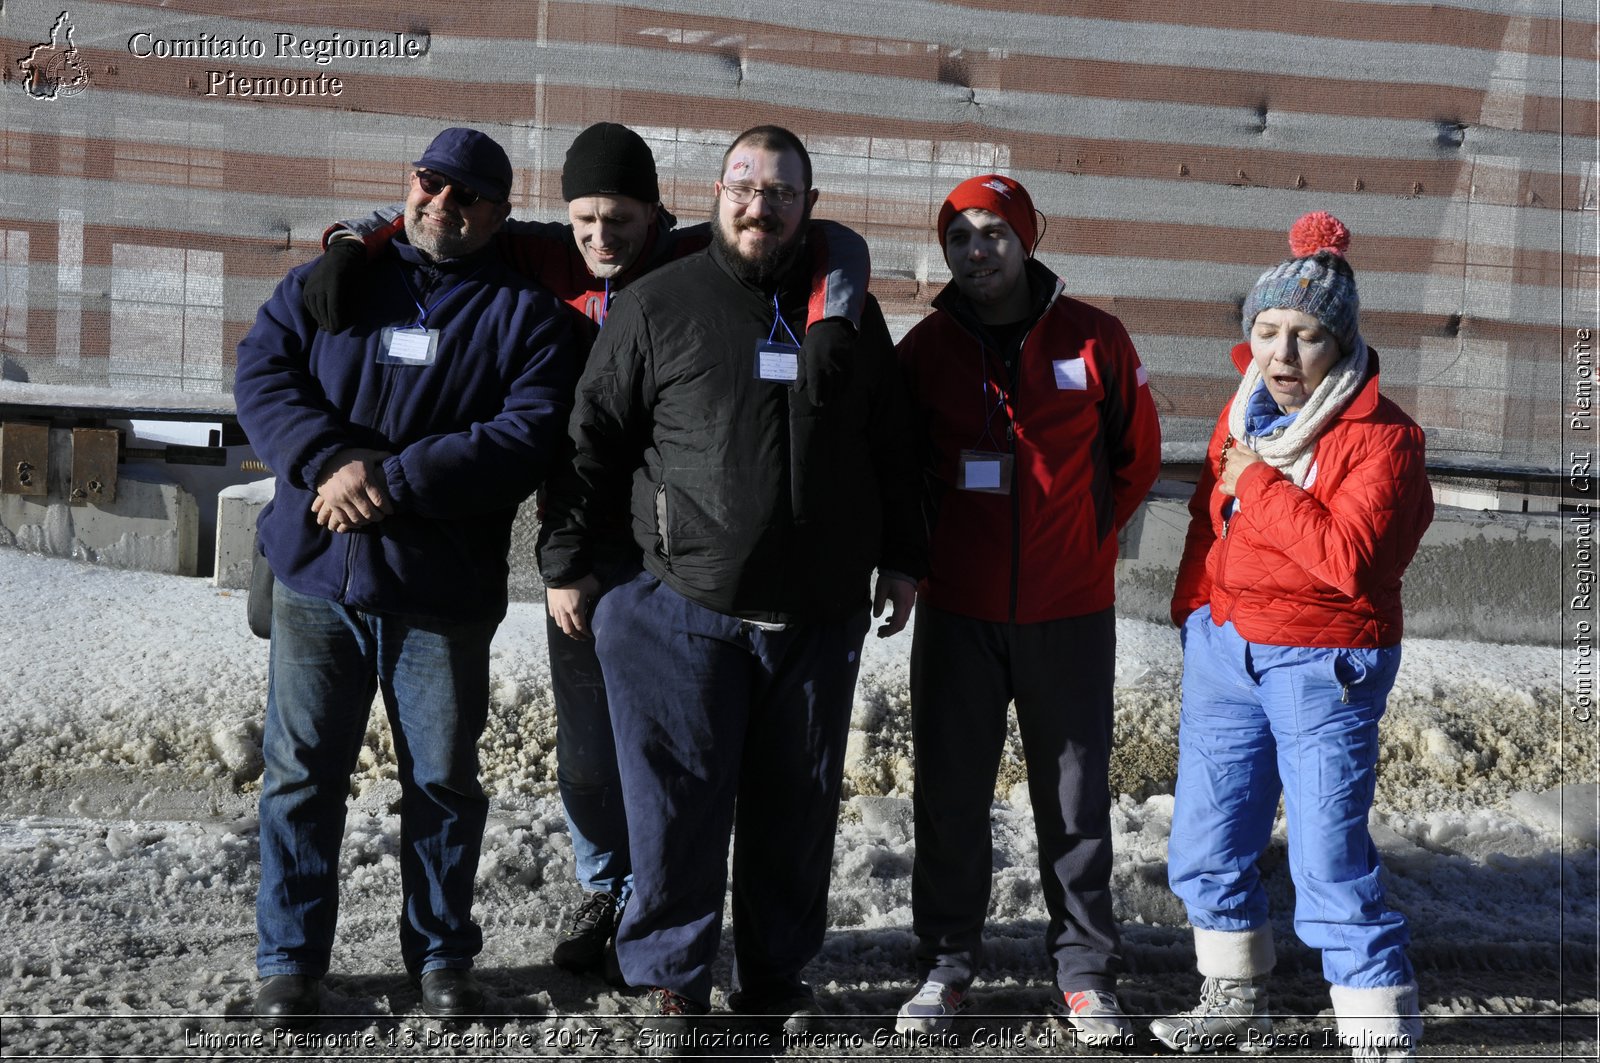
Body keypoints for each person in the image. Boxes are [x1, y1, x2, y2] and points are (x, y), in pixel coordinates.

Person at [299, 122, 873, 979]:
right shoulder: (547, 255)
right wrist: (353, 240)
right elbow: (436, 213)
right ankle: (610, 891)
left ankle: (678, 911)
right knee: (592, 749)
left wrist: (835, 315)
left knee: (683, 756)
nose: (602, 237)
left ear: (659, 213)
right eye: (584, 219)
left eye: (620, 219)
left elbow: (836, 239)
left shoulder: (692, 255)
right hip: (583, 534)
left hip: (679, 549)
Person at [537, 124, 926, 1033]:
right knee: (676, 805)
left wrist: (905, 556)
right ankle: (673, 972)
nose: (762, 206)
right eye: (746, 187)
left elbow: (894, 445)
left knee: (798, 808)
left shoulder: (847, 313)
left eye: (782, 192)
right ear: (716, 193)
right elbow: (590, 440)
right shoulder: (658, 301)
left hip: (818, 614)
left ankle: (776, 976)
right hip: (681, 605)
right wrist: (569, 563)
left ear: (808, 208)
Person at [233, 127, 581, 1029]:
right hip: (319, 579)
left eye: (469, 196)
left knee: (443, 782)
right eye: (432, 184)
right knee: (302, 778)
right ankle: (291, 964)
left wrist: (394, 478)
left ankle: (440, 956)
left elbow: (526, 432)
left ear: (499, 214)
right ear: (409, 183)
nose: (444, 205)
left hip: (439, 592)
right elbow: (264, 371)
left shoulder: (525, 313)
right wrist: (326, 459)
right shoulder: (339, 281)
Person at [1153, 212, 1433, 1060]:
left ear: (1338, 344)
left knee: (1327, 860)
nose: (1281, 354)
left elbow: (1349, 558)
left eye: (1304, 335)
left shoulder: (1384, 438)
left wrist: (1261, 486)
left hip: (1323, 659)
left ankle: (1380, 1034)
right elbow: (1211, 522)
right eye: (1267, 331)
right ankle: (1233, 997)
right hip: (1227, 647)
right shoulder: (1239, 418)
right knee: (1206, 841)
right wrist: (1193, 609)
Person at [891, 174, 1161, 1045]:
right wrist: (912, 562)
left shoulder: (1096, 338)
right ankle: (945, 963)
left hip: (1068, 610)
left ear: (1028, 239)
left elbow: (1138, 453)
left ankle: (1083, 970)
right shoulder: (926, 349)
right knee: (952, 793)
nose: (978, 250)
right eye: (961, 236)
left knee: (1075, 797)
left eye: (995, 233)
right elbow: (899, 470)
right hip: (959, 609)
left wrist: (1089, 536)